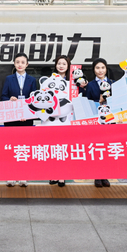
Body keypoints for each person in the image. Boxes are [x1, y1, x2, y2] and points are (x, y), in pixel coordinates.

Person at [1, 52, 37, 187]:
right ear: (14, 64)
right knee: (11, 147)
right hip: (11, 118)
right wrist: (9, 99)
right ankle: (10, 175)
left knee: (24, 147)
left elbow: (34, 100)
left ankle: (23, 176)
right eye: (17, 62)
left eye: (22, 62)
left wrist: (27, 114)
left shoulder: (32, 80)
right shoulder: (8, 79)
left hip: (26, 119)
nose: (20, 65)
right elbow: (3, 96)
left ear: (27, 64)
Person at [79, 58, 113, 188]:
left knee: (107, 148)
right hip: (95, 120)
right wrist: (99, 101)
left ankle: (105, 175)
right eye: (97, 68)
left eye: (102, 68)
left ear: (106, 69)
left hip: (110, 120)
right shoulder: (90, 85)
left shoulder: (112, 83)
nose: (100, 70)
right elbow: (86, 103)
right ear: (94, 70)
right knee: (97, 148)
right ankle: (97, 176)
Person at [48, 55, 72, 188]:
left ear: (68, 66)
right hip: (51, 120)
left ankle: (62, 176)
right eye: (59, 63)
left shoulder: (72, 83)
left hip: (66, 120)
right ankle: (53, 174)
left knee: (63, 147)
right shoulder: (49, 81)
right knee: (53, 147)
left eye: (64, 64)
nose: (61, 66)